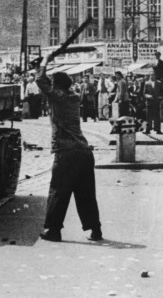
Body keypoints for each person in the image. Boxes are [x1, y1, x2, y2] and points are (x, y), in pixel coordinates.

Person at [35, 54, 102, 243]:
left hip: (66, 152)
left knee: (58, 192)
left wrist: (45, 61)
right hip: (84, 151)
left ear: (57, 86)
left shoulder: (59, 97)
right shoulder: (72, 96)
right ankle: (96, 229)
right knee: (86, 193)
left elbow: (41, 80)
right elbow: (49, 82)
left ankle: (53, 230)